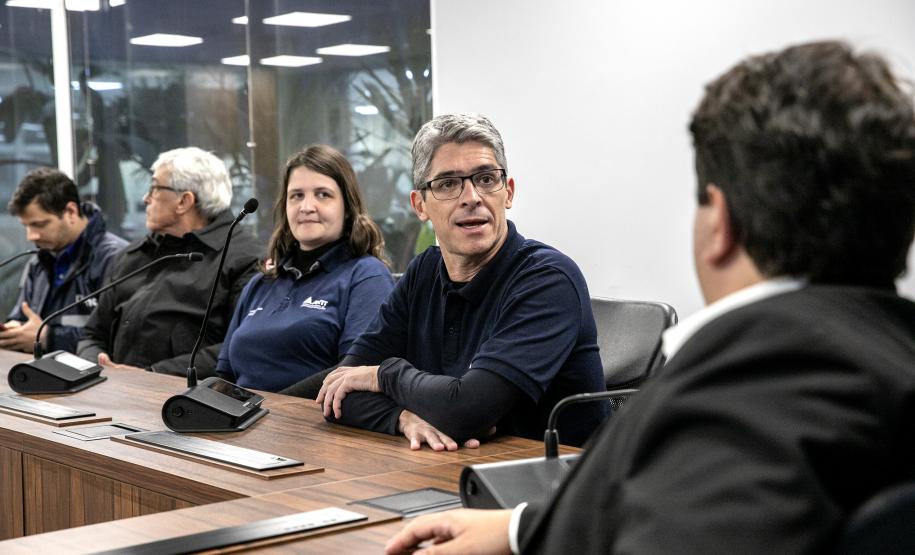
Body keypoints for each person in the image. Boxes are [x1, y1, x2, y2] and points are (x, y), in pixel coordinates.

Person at [385, 41, 915, 554]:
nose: (471, 198)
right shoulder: (885, 358)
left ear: (720, 224)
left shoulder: (736, 395)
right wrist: (520, 530)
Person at [284, 113, 606, 449]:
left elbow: (468, 410)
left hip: (555, 476)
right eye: (448, 184)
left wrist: (383, 375)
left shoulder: (548, 280)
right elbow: (340, 388)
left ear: (508, 193)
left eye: (486, 179)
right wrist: (401, 417)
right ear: (420, 205)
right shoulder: (424, 271)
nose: (472, 197)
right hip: (452, 465)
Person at [215, 145, 394, 392]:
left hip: (313, 415)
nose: (306, 206)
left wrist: (269, 408)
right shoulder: (260, 283)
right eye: (296, 196)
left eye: (323, 194)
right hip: (245, 414)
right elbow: (224, 376)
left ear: (347, 207)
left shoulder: (366, 276)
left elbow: (355, 372)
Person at [77, 147, 261, 376]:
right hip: (113, 387)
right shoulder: (132, 255)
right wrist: (97, 367)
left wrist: (151, 376)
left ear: (184, 201)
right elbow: (92, 335)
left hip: (187, 394)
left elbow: (240, 347)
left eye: (154, 188)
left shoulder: (245, 259)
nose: (145, 198)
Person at [1, 167, 126, 354]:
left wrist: (49, 338)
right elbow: (22, 319)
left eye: (39, 224)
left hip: (93, 372)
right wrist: (13, 330)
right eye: (26, 226)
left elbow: (122, 337)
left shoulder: (117, 259)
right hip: (37, 369)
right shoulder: (37, 263)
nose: (31, 236)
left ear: (71, 212)